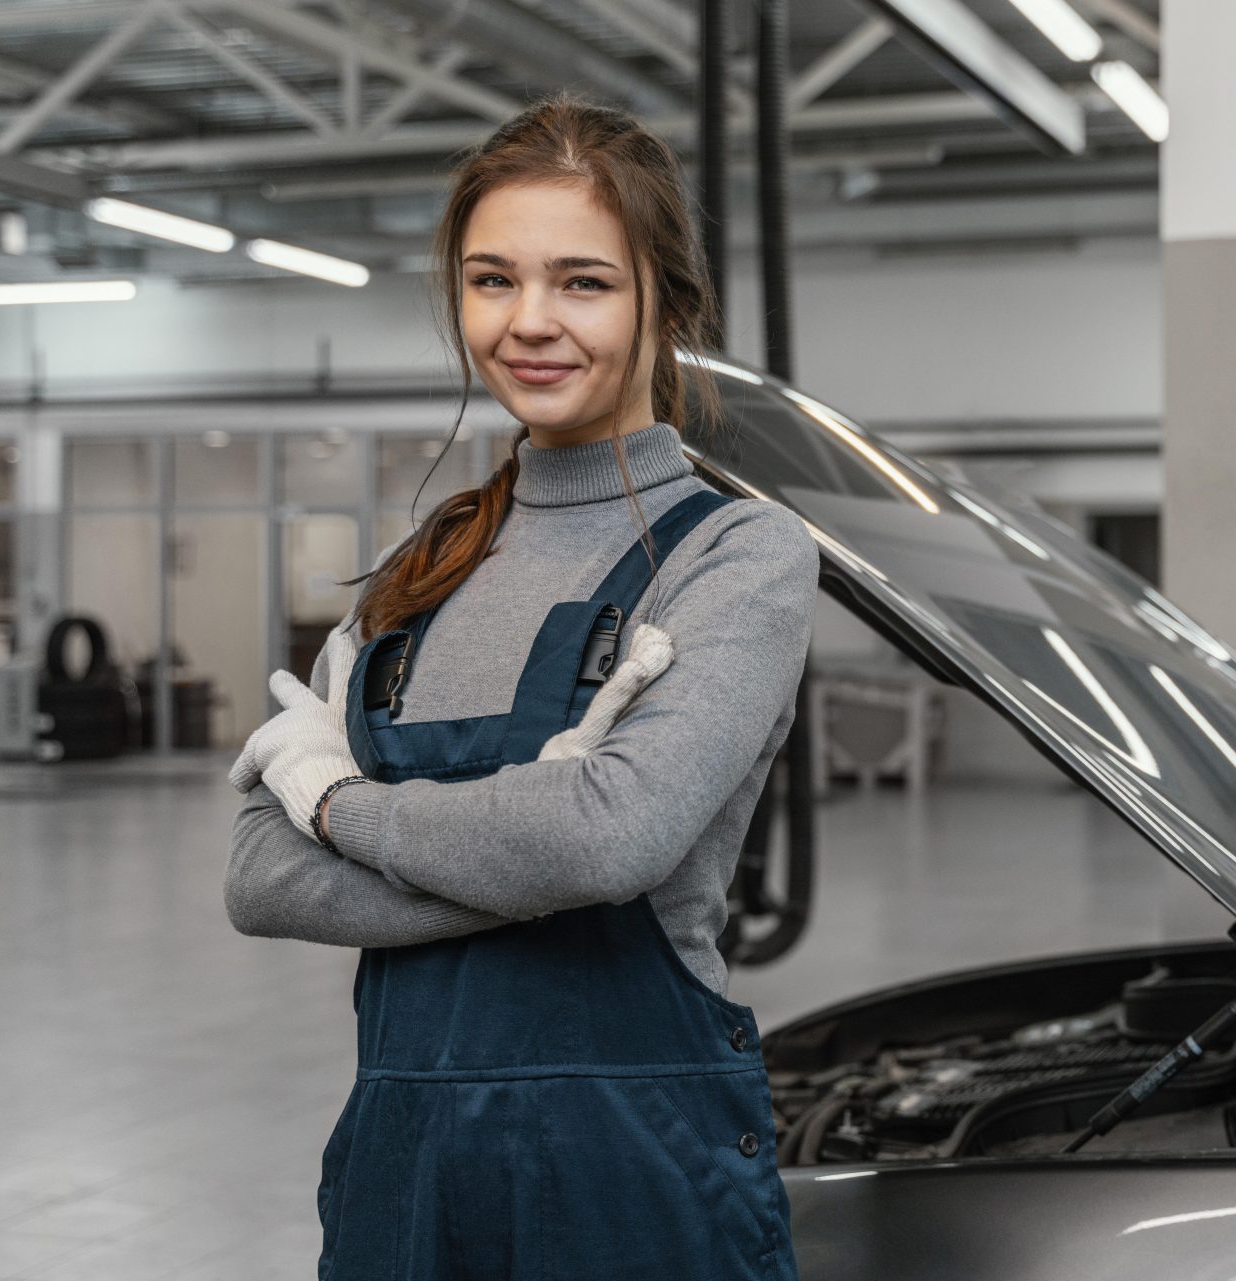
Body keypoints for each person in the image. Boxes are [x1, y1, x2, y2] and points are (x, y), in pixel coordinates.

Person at [222, 91, 816, 1280]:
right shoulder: (416, 573)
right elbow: (256, 874)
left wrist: (336, 805)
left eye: (583, 282)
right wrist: (526, 842)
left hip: (636, 1173)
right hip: (406, 1175)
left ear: (665, 302)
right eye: (493, 280)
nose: (530, 323)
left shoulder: (735, 555)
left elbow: (609, 841)